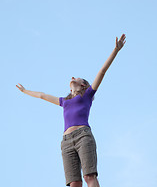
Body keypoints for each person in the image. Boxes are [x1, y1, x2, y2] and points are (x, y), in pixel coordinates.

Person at [16, 34, 126, 187]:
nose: (73, 77)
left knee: (89, 176)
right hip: (66, 142)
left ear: (83, 85)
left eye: (78, 77)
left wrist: (115, 50)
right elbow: (42, 96)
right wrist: (25, 91)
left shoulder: (87, 95)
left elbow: (102, 71)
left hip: (83, 136)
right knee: (74, 183)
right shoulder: (64, 101)